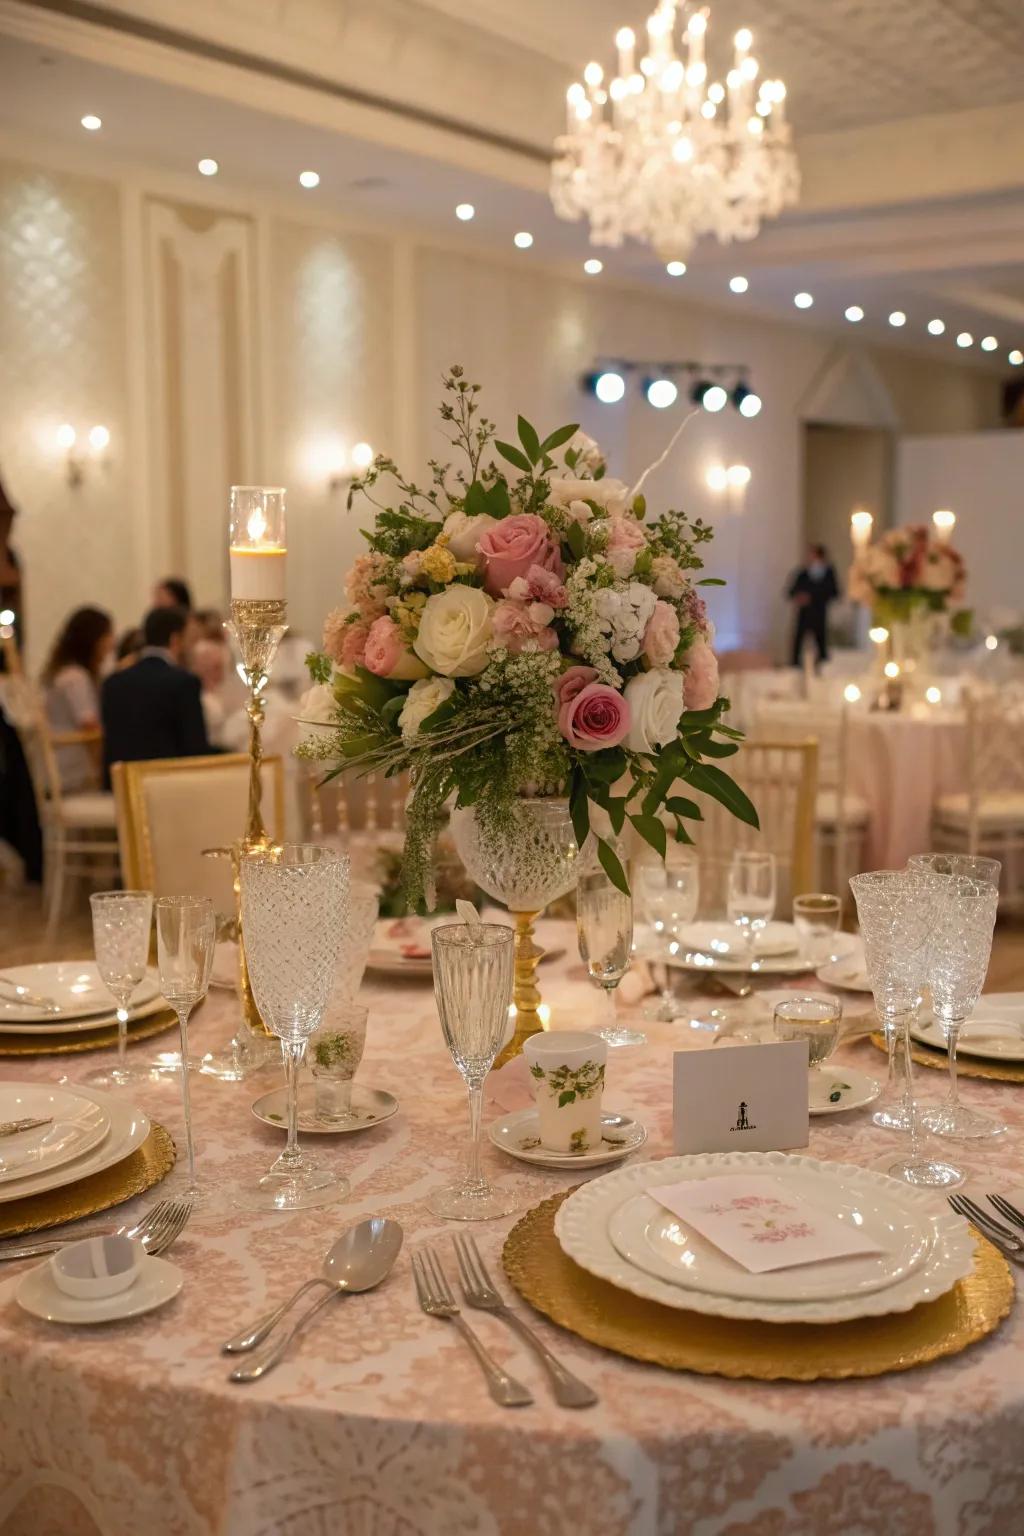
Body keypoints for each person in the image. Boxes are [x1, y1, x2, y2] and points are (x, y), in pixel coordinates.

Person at [101, 606, 210, 779]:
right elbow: (196, 750)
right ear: (176, 640)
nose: (193, 647)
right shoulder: (184, 682)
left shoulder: (113, 682)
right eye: (190, 639)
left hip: (122, 787)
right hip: (168, 786)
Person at [42, 605, 114, 791]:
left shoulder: (61, 673)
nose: (111, 643)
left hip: (60, 767)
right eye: (108, 636)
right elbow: (89, 726)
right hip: (73, 772)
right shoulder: (75, 678)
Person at [788, 543, 838, 667]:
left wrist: (813, 597)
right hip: (804, 614)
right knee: (798, 642)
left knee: (821, 641)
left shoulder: (828, 573)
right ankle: (795, 666)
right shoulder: (803, 573)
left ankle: (823, 668)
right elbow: (790, 591)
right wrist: (799, 597)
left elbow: (834, 592)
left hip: (819, 613)